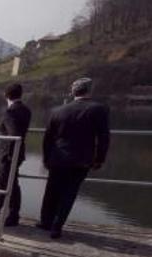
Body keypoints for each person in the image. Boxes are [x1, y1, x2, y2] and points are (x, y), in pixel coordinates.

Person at [39, 77, 110, 239]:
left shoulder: (57, 110)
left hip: (57, 158)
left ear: (73, 92)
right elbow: (104, 137)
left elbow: (48, 138)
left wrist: (46, 158)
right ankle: (57, 227)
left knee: (51, 190)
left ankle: (45, 221)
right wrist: (100, 159)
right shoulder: (98, 109)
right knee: (69, 193)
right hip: (81, 160)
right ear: (90, 90)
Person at [0, 83, 32, 226]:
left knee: (3, 183)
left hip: (8, 155)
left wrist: (10, 156)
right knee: (12, 184)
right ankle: (10, 214)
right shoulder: (26, 110)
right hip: (18, 153)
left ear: (6, 95)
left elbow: (14, 135)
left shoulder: (9, 112)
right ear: (20, 94)